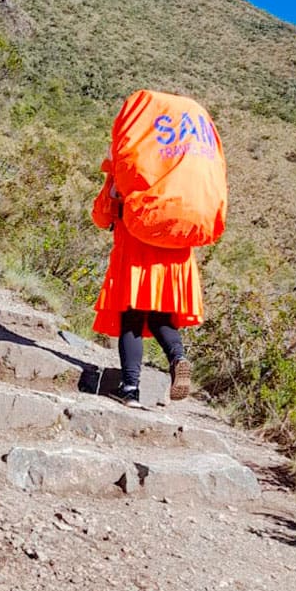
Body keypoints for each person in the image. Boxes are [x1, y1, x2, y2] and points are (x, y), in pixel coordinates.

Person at [91, 160, 201, 408]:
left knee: (132, 318)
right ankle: (177, 357)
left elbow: (102, 214)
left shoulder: (130, 165)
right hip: (175, 253)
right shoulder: (181, 169)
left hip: (135, 251)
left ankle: (130, 389)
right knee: (160, 317)